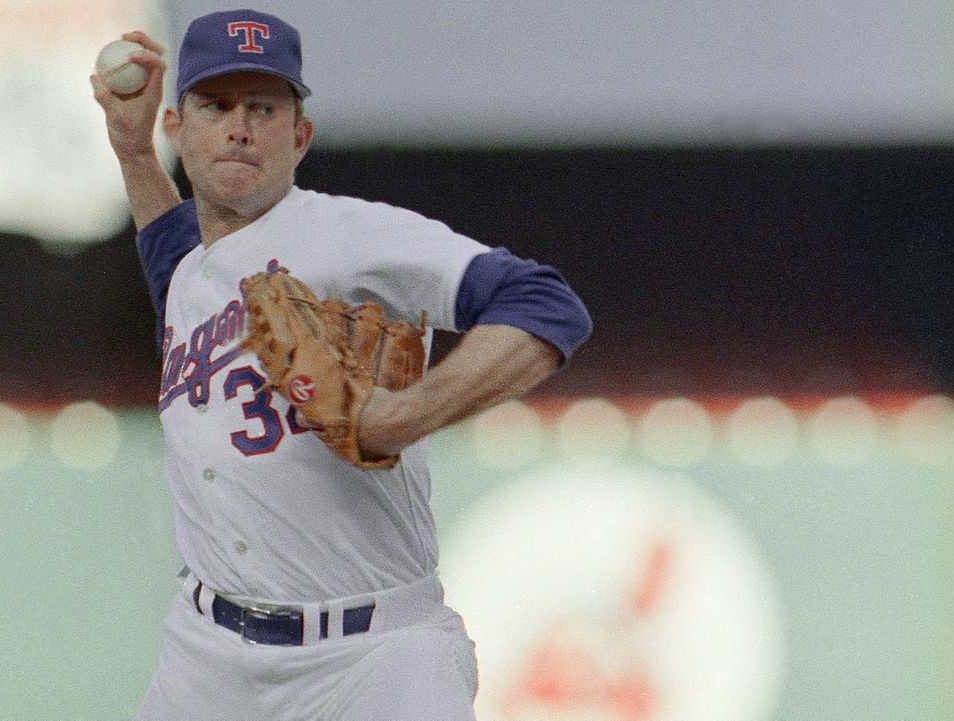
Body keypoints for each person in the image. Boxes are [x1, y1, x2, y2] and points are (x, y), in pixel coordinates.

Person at [91, 10, 592, 720]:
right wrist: (132, 154)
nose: (240, 128)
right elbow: (175, 260)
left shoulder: (349, 235)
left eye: (263, 108)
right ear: (177, 127)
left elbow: (546, 303)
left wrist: (401, 415)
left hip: (375, 656)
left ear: (301, 137)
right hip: (206, 658)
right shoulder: (191, 268)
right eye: (216, 106)